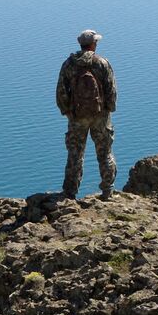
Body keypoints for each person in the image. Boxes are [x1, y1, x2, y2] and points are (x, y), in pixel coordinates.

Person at [55, 28, 118, 199]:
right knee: (104, 153)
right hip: (100, 116)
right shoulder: (102, 63)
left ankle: (70, 193)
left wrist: (67, 112)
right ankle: (107, 191)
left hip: (77, 116)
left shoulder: (69, 64)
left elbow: (61, 91)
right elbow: (111, 90)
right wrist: (108, 110)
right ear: (93, 44)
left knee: (75, 155)